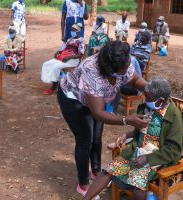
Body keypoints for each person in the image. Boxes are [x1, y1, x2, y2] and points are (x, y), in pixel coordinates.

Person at [58, 41, 148, 196]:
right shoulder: (91, 71)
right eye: (125, 68)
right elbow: (98, 112)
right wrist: (127, 120)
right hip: (73, 100)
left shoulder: (122, 60)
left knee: (97, 138)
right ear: (111, 70)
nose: (128, 68)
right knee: (85, 139)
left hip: (97, 100)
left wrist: (153, 90)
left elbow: (135, 80)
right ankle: (84, 184)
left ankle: (96, 171)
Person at [84, 78, 183, 200]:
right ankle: (86, 198)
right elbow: (141, 130)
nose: (145, 100)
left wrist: (147, 158)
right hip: (137, 150)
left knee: (138, 182)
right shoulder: (147, 109)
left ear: (161, 101)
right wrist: (126, 135)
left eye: (149, 98)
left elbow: (174, 149)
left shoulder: (174, 116)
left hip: (158, 157)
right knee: (109, 170)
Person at [42, 23, 84, 95]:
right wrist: (58, 52)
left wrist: (69, 57)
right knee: (47, 64)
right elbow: (64, 49)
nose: (72, 31)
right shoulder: (69, 39)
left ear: (78, 31)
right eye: (71, 30)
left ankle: (54, 87)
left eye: (73, 30)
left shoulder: (80, 40)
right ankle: (53, 81)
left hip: (73, 59)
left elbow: (80, 54)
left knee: (56, 66)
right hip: (64, 57)